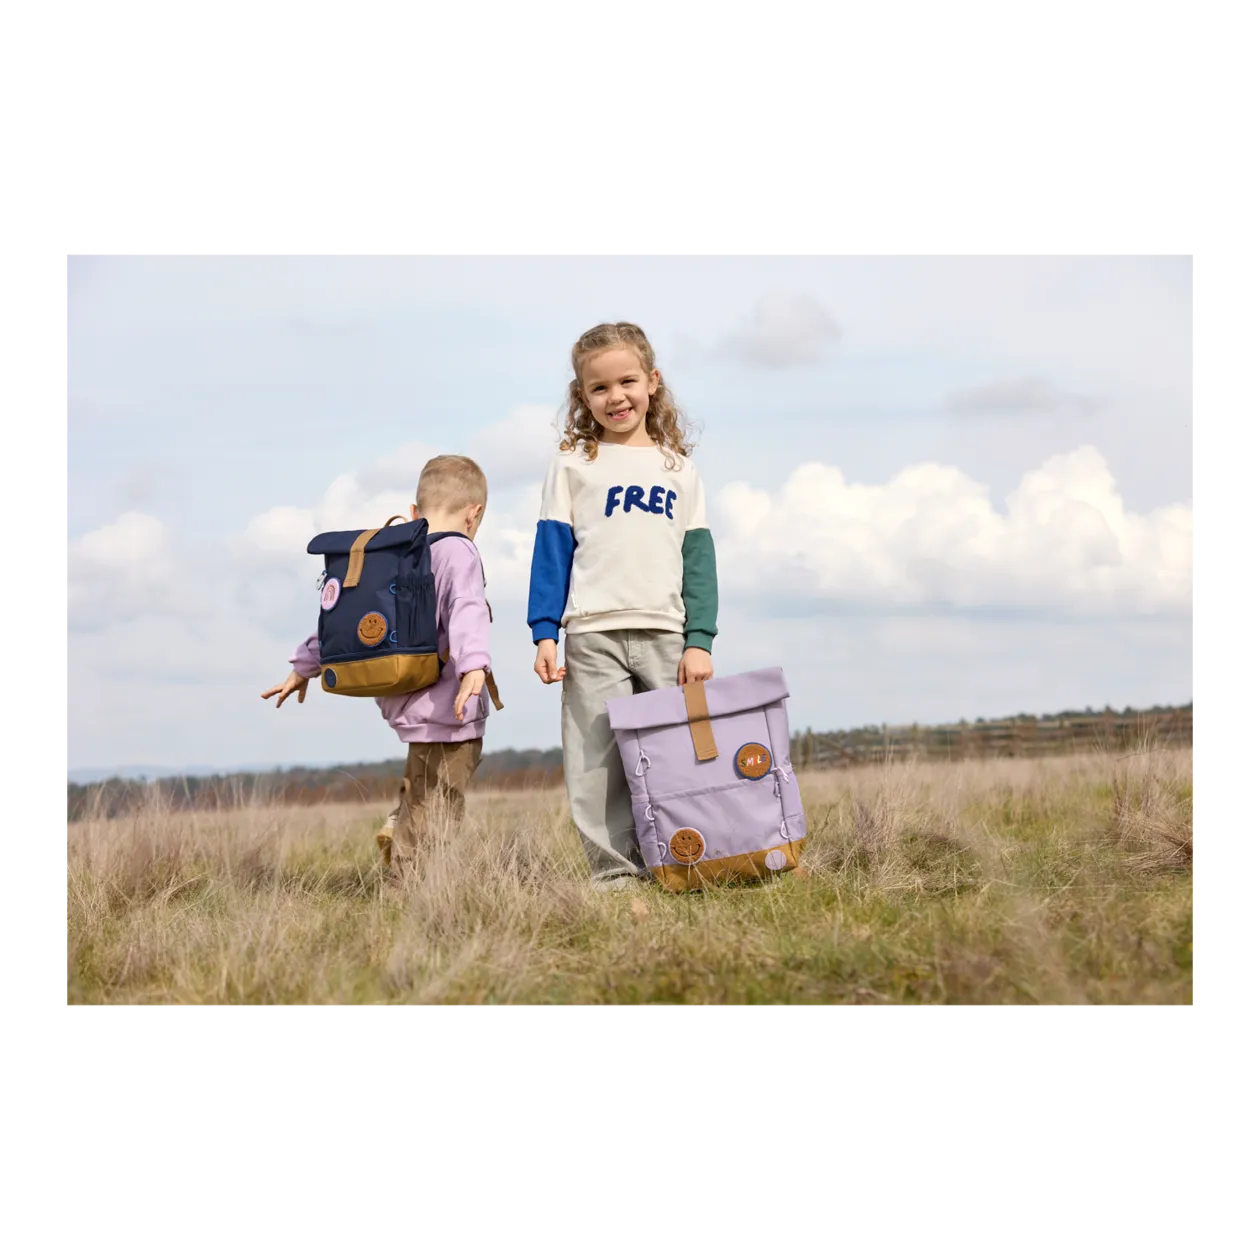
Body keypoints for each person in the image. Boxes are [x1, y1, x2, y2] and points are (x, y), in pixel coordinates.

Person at [527, 322, 718, 890]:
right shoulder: (571, 465)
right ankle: (615, 876)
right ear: (582, 397)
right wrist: (544, 632)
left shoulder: (679, 470)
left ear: (652, 382)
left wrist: (700, 641)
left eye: (628, 381)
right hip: (591, 636)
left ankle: (686, 860)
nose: (617, 397)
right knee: (595, 765)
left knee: (676, 755)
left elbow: (699, 561)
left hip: (666, 634)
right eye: (600, 388)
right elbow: (551, 554)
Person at [262, 455, 498, 880]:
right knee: (440, 807)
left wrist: (303, 666)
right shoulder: (459, 551)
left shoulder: (396, 554)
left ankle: (398, 824)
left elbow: (347, 623)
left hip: (408, 702)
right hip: (452, 705)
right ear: (474, 513)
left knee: (423, 790)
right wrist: (474, 667)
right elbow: (467, 609)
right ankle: (406, 885)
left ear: (413, 513)